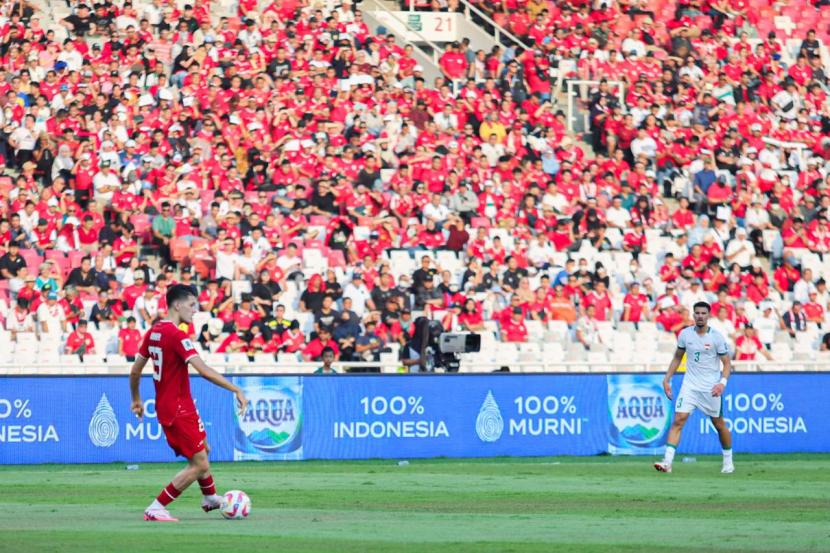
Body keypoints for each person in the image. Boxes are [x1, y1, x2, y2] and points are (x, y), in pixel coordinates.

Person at [129, 284, 249, 522]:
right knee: (199, 464)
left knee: (204, 450)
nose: (195, 311)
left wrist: (136, 399)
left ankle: (210, 497)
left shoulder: (153, 332)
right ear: (177, 304)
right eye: (192, 305)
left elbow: (135, 370)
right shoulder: (177, 336)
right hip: (177, 408)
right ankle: (156, 507)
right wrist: (235, 389)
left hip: (178, 405)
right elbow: (203, 370)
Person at [655, 302, 734, 475]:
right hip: (690, 385)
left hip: (710, 387)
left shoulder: (716, 337)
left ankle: (728, 461)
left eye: (703, 313)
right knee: (678, 420)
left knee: (719, 424)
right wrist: (667, 378)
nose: (700, 316)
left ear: (708, 315)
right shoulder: (685, 334)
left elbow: (727, 363)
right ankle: (667, 462)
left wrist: (722, 383)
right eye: (697, 313)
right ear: (693, 315)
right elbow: (677, 357)